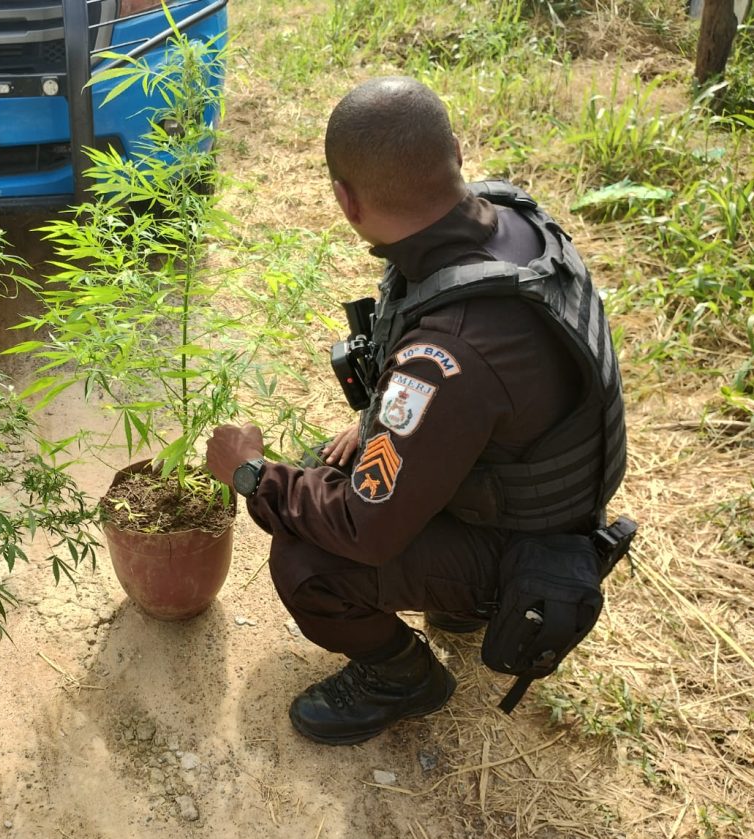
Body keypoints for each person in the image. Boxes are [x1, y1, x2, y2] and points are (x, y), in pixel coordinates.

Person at [205, 76, 627, 745]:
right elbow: (476, 397)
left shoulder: (448, 355)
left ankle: (404, 676)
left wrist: (253, 473)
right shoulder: (509, 217)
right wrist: (379, 420)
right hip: (535, 489)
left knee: (305, 559)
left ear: (347, 201)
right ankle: (454, 603)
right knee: (337, 460)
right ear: (455, 153)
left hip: (530, 542)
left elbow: (362, 528)